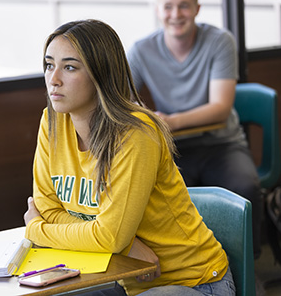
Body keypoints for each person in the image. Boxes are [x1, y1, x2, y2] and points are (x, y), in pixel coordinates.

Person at [23, 19, 236, 296]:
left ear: (102, 73)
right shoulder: (51, 122)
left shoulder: (135, 133)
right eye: (49, 65)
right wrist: (126, 244)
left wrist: (36, 231)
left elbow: (103, 234)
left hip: (193, 281)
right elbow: (49, 209)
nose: (54, 79)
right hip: (123, 276)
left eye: (70, 67)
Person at [126, 0, 262, 259]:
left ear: (197, 9)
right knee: (155, 200)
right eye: (168, 6)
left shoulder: (219, 41)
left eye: (184, 6)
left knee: (244, 187)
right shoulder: (141, 49)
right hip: (173, 149)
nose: (176, 14)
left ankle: (249, 267)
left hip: (221, 144)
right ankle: (190, 268)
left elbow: (220, 108)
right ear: (158, 10)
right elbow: (120, 100)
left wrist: (169, 121)